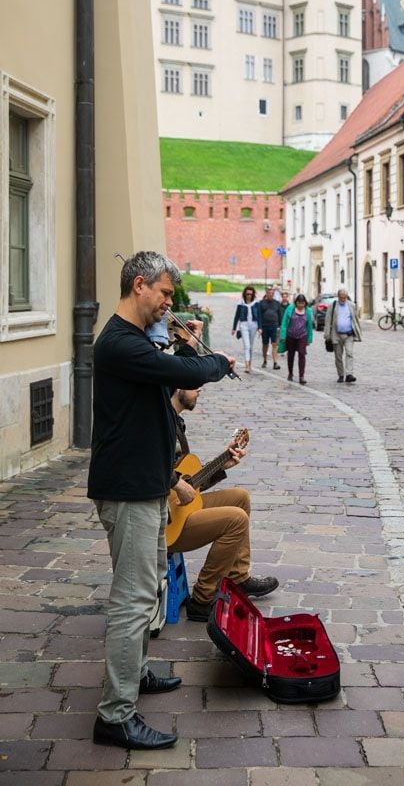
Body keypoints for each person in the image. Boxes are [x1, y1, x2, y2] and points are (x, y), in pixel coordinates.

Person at [88, 251, 234, 751]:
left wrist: (179, 340)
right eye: (165, 294)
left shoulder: (138, 341)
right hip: (127, 490)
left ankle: (137, 671)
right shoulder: (118, 344)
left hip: (148, 485)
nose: (169, 302)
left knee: (148, 594)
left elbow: (168, 379)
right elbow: (181, 374)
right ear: (138, 287)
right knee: (131, 602)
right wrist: (213, 358)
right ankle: (115, 715)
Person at [168, 387, 279, 621]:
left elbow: (190, 484)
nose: (199, 389)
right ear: (178, 388)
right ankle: (202, 598)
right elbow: (156, 470)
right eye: (194, 384)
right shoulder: (159, 422)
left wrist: (221, 466)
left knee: (240, 497)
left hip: (179, 508)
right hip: (165, 523)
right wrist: (176, 484)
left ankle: (238, 577)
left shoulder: (175, 422)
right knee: (235, 519)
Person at [324, 287, 362, 383]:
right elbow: (328, 321)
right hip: (336, 335)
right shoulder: (332, 306)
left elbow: (355, 320)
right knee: (338, 356)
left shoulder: (351, 306)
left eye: (344, 297)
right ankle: (341, 375)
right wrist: (327, 334)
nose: (343, 299)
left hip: (349, 334)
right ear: (338, 296)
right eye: (341, 297)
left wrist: (358, 331)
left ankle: (349, 374)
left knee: (350, 353)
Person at [278, 293, 313, 384]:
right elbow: (284, 323)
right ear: (296, 302)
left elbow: (309, 326)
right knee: (291, 355)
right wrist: (282, 336)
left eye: (302, 303)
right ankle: (290, 373)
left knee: (302, 354)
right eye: (299, 303)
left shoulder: (308, 311)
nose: (301, 305)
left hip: (302, 335)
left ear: (305, 303)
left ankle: (301, 376)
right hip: (290, 335)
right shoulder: (290, 309)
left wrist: (309, 339)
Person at [232, 285, 262, 373]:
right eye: (247, 294)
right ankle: (246, 365)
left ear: (253, 295)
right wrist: (234, 328)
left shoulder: (256, 303)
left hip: (254, 325)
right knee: (247, 346)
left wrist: (260, 327)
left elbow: (259, 316)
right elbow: (236, 316)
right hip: (243, 325)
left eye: (250, 294)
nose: (249, 295)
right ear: (244, 294)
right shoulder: (240, 303)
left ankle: (250, 363)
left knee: (251, 347)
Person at [258, 286, 282, 370]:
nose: (271, 295)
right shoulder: (261, 303)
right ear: (266, 293)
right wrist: (259, 327)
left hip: (274, 326)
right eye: (269, 293)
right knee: (265, 344)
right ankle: (265, 360)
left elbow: (280, 316)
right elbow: (259, 316)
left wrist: (280, 326)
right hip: (265, 326)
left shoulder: (277, 303)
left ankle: (275, 362)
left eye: (272, 293)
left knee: (274, 344)